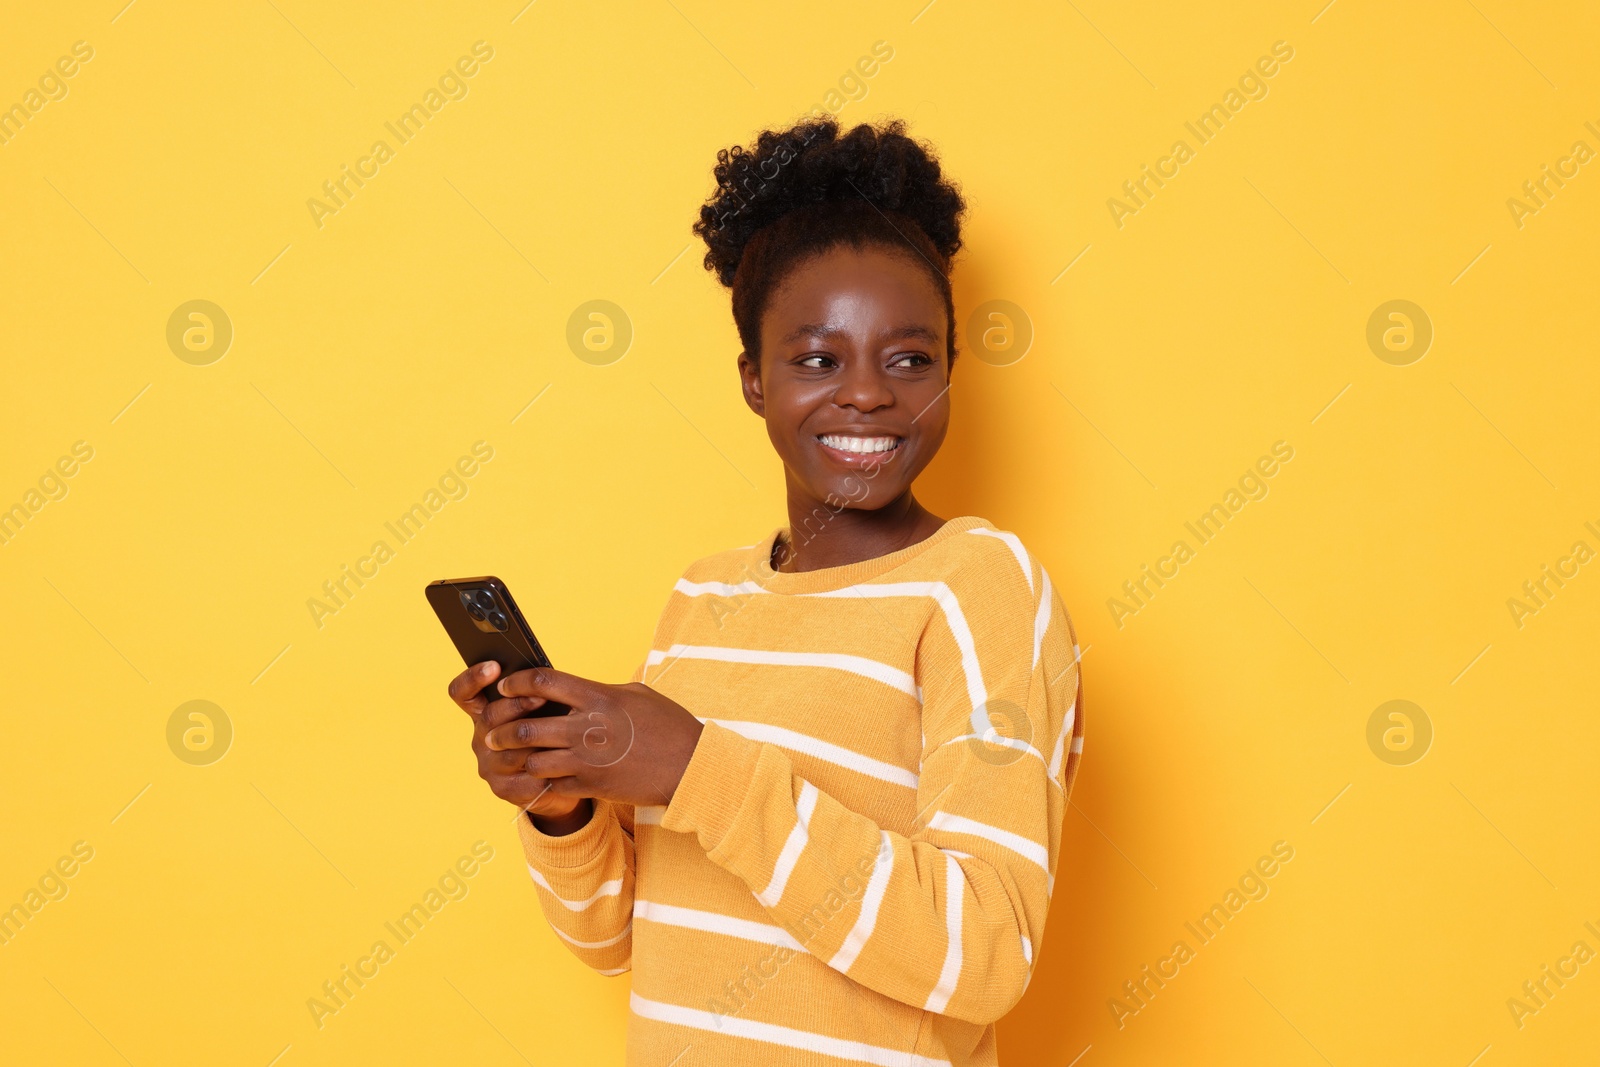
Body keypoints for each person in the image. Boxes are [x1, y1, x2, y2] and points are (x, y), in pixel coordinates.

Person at [445, 116, 1084, 1066]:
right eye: (818, 359)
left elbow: (983, 954)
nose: (866, 393)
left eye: (909, 358)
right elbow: (613, 940)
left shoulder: (981, 588)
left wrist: (697, 767)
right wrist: (562, 806)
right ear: (753, 378)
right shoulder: (704, 600)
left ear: (951, 368)